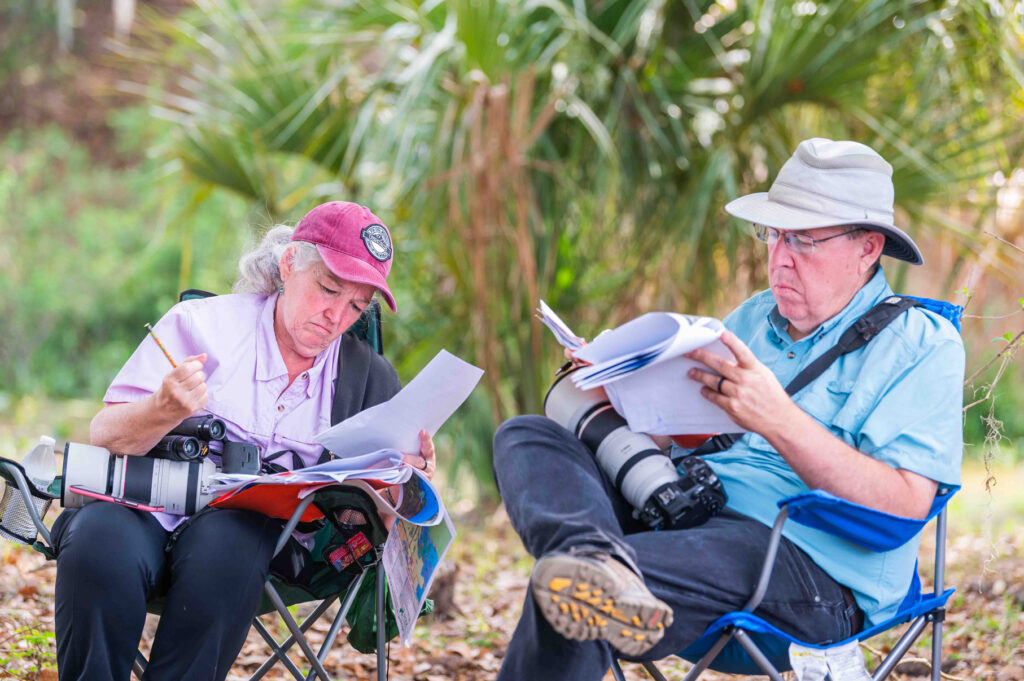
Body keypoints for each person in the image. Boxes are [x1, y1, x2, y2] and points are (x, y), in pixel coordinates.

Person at [492, 138, 965, 679]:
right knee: (527, 434)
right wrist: (620, 394)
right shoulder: (754, 317)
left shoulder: (921, 345)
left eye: (804, 240)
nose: (780, 256)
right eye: (775, 234)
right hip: (692, 512)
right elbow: (699, 437)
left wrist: (778, 418)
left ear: (868, 248)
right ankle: (598, 561)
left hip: (806, 564)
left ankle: (600, 568)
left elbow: (903, 507)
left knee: (572, 589)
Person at [50, 201, 436, 681]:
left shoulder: (366, 380)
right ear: (289, 263)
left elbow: (372, 513)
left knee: (231, 540)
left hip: (254, 544)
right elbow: (104, 434)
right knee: (98, 538)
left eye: (356, 306)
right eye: (328, 288)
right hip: (144, 505)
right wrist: (162, 410)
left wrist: (404, 482)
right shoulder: (201, 325)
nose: (336, 316)